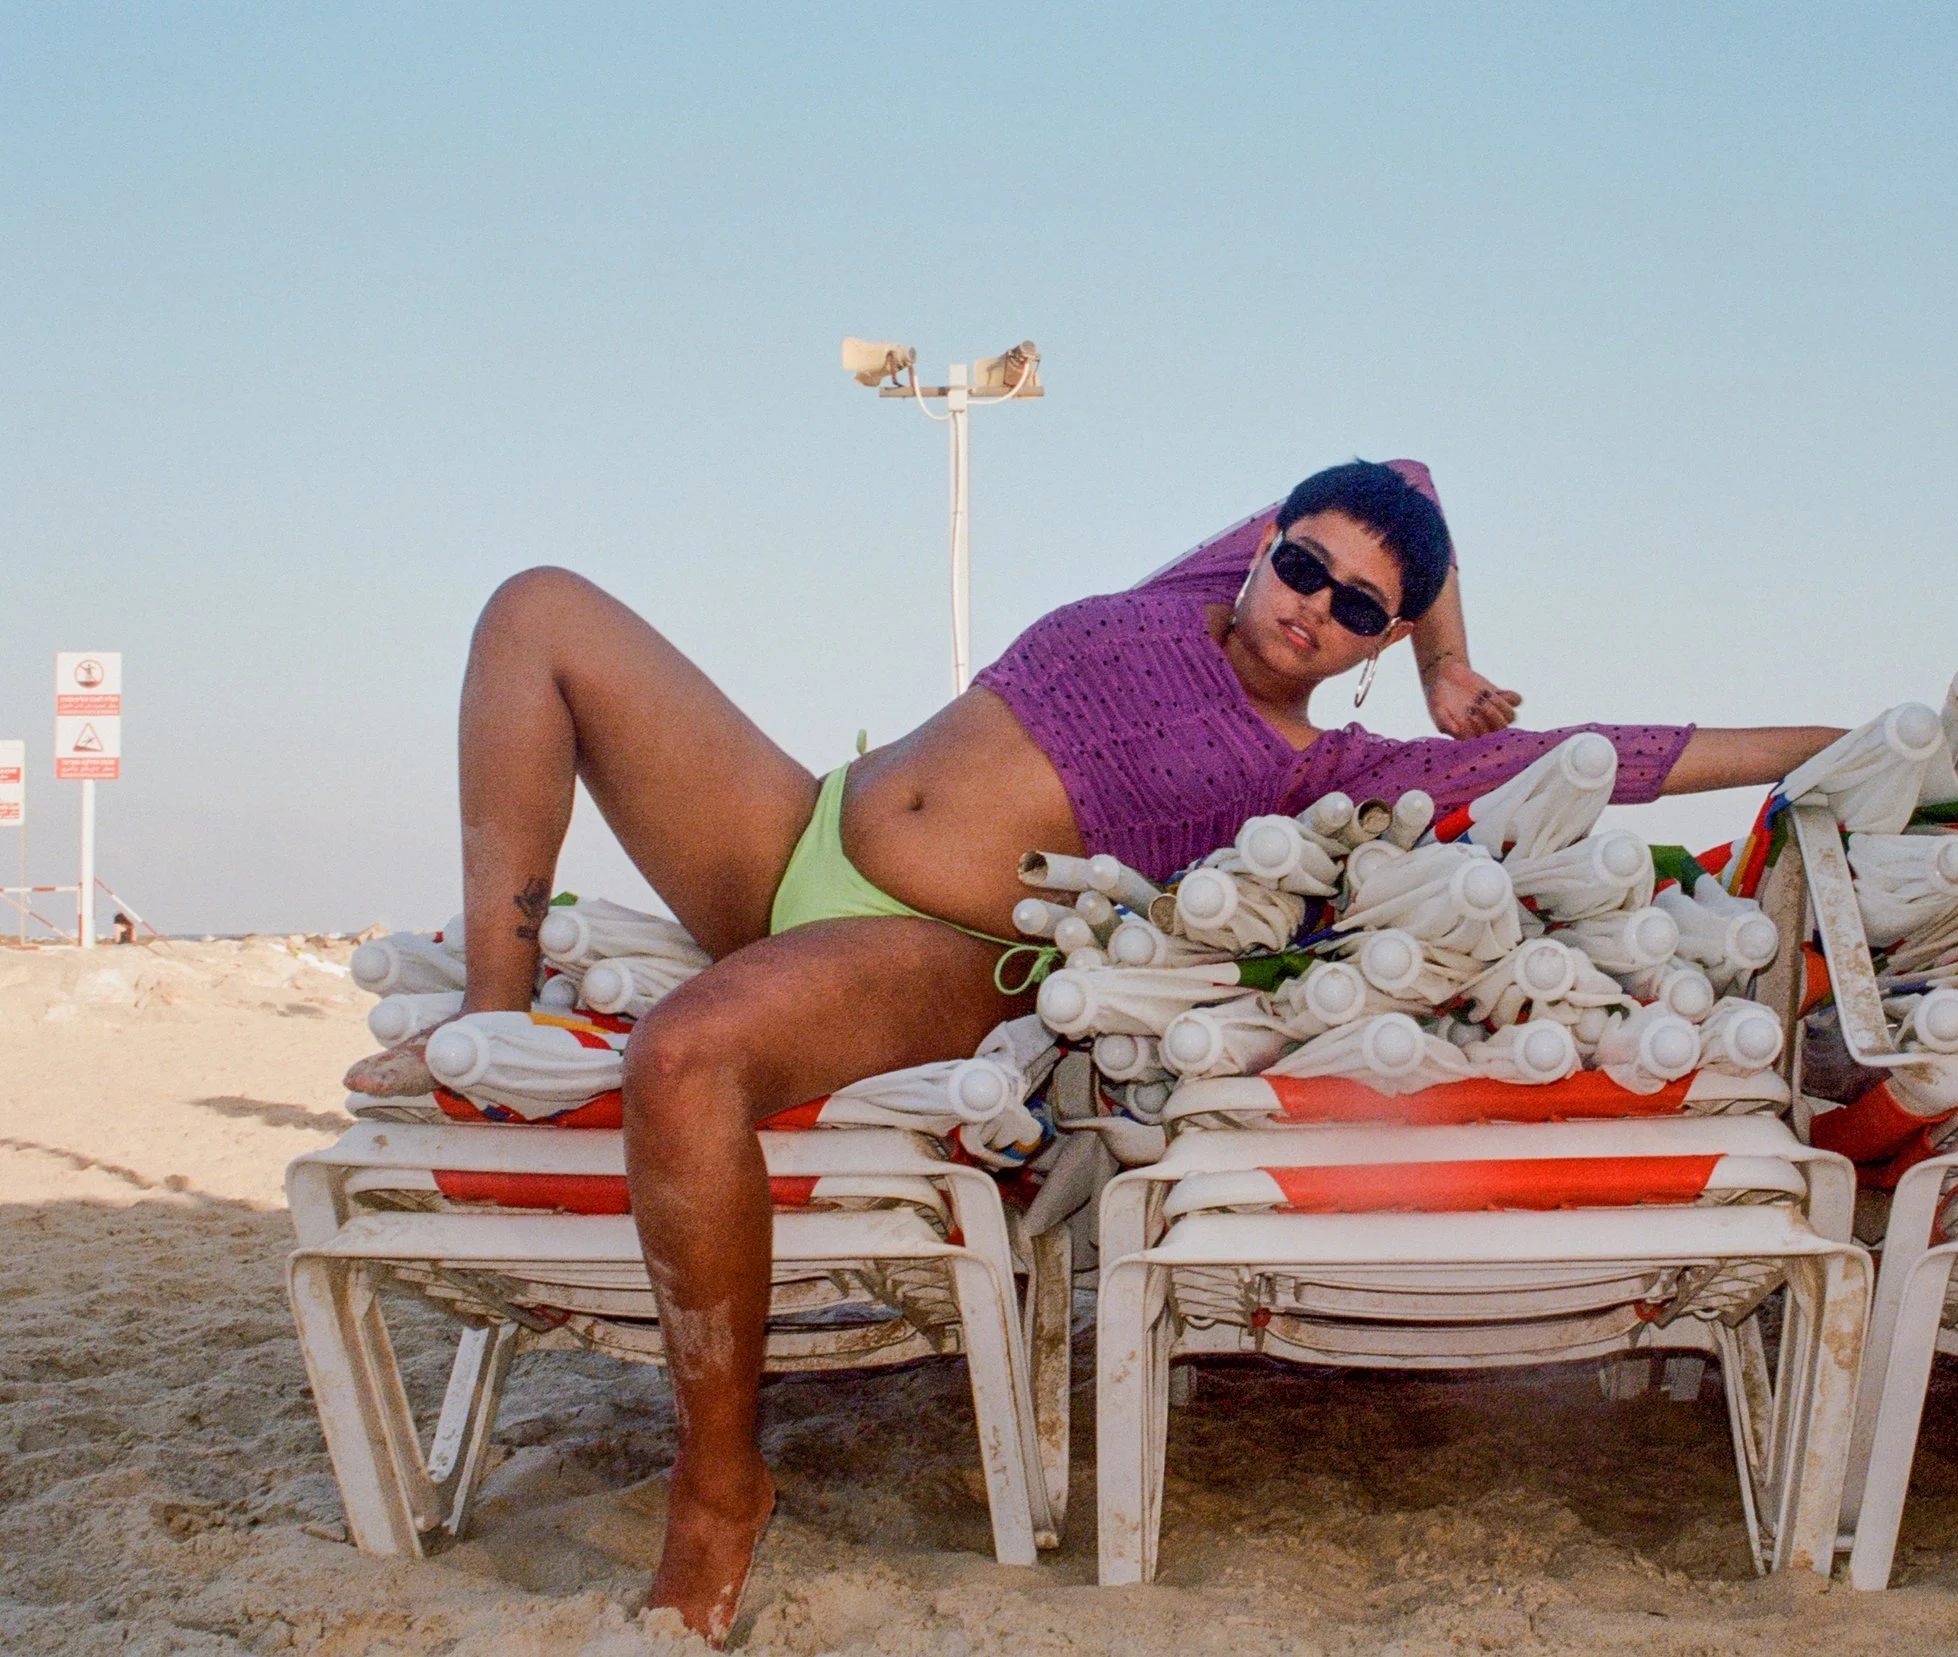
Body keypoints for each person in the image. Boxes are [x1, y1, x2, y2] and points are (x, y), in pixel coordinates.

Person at [345, 458, 1841, 1643]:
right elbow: (1409, 471)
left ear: (1370, 647)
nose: (1312, 606)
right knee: (538, 608)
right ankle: (494, 1019)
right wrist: (1459, 652)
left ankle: (721, 1483)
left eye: (1359, 610)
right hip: (794, 835)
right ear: (1264, 547)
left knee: (684, 1061)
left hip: (941, 951)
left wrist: (1824, 745)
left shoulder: (1330, 764)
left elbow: (1613, 760)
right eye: (1303, 564)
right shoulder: (1188, 593)